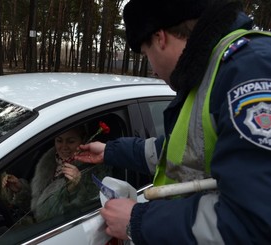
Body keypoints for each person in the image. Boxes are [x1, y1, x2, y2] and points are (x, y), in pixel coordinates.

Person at [75, 0, 271, 244]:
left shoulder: (248, 71)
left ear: (160, 38)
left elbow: (254, 222)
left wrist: (138, 220)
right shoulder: (209, 72)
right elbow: (182, 150)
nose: (154, 71)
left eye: (147, 56)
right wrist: (111, 151)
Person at [1, 125, 111, 222]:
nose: (63, 146)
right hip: (36, 228)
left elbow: (81, 216)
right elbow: (37, 207)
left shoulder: (94, 170)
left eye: (71, 141)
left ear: (83, 140)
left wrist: (73, 190)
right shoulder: (47, 163)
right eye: (59, 140)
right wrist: (20, 189)